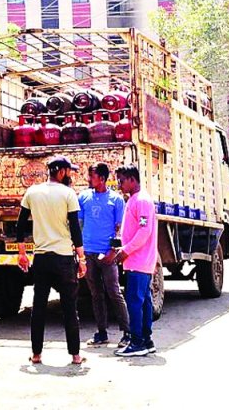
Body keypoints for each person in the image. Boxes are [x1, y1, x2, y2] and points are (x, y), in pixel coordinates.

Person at [16, 155, 87, 365]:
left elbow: (20, 225)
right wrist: (81, 259)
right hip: (64, 259)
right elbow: (75, 230)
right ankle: (75, 355)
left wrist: (22, 253)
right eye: (69, 171)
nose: (71, 175)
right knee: (69, 308)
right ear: (61, 172)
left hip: (42, 259)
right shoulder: (68, 194)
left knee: (38, 307)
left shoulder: (32, 192)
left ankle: (36, 355)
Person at [77, 163, 130, 348]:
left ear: (101, 178)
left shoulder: (116, 200)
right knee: (96, 294)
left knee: (114, 292)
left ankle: (127, 333)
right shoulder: (83, 197)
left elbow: (119, 229)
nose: (88, 179)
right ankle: (101, 332)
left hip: (108, 255)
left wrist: (113, 251)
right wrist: (80, 251)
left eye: (91, 176)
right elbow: (80, 224)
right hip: (89, 253)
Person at [113, 164, 158, 357]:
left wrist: (125, 251)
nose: (119, 185)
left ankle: (138, 341)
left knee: (135, 302)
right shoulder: (134, 200)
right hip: (137, 262)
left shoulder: (142, 200)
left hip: (139, 261)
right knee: (144, 302)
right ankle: (146, 340)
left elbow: (144, 231)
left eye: (122, 181)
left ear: (132, 179)